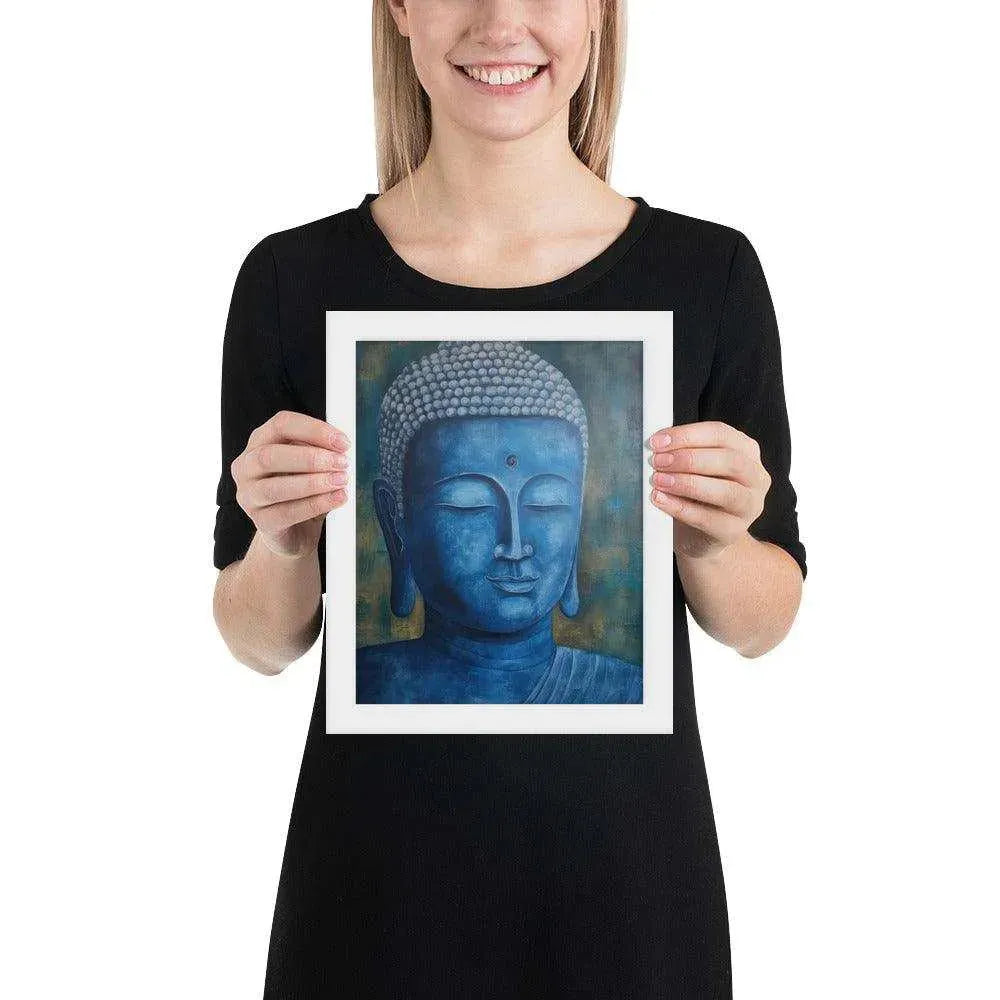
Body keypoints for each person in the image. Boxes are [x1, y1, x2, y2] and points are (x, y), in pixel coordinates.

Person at [212, 1, 806, 997]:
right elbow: (260, 640)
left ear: (600, 14)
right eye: (467, 498)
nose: (501, 20)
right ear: (399, 9)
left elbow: (763, 622)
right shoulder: (293, 280)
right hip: (372, 900)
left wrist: (714, 542)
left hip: (628, 900)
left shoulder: (707, 277)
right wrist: (281, 543)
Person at [357, 338, 642, 704]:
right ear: (394, 522)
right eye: (470, 505)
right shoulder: (360, 689)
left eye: (546, 503)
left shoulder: (629, 694)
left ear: (579, 516)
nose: (514, 544)